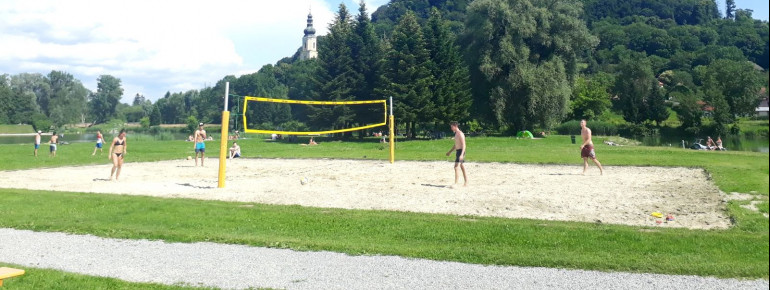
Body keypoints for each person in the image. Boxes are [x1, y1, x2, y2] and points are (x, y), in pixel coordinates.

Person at [445, 121, 468, 187]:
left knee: (458, 166)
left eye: (452, 127)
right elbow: (456, 145)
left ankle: (459, 183)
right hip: (458, 151)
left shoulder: (460, 134)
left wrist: (461, 155)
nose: (451, 128)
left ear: (455, 126)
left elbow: (464, 145)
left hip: (461, 151)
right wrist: (450, 152)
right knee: (459, 166)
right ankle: (462, 182)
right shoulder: (456, 134)